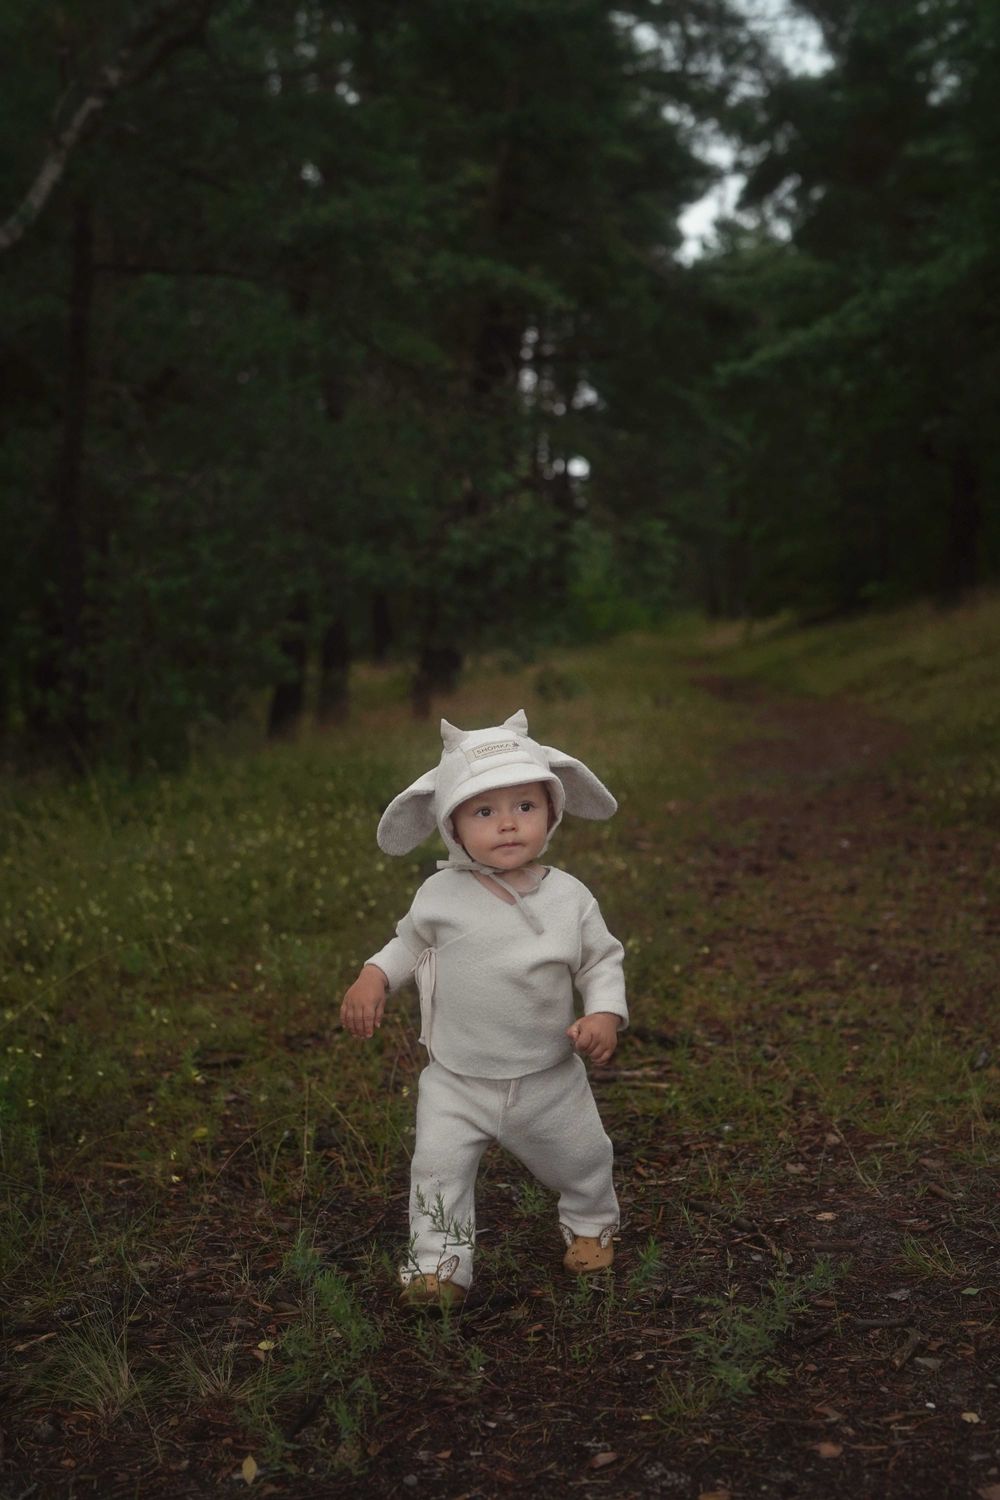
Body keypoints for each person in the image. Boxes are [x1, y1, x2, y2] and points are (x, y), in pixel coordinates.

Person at [340, 710, 628, 1308]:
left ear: (553, 809)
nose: (507, 824)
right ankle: (438, 1265)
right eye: (483, 811)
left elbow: (600, 961)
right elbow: (407, 943)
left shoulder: (569, 897)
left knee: (580, 1156)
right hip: (456, 1077)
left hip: (547, 1074)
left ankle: (590, 1220)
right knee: (437, 1168)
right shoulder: (439, 895)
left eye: (525, 806)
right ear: (450, 823)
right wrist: (374, 975)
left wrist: (603, 1013)